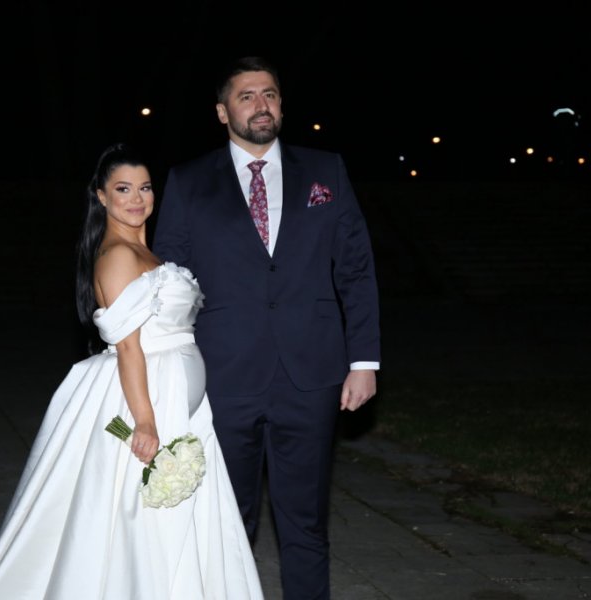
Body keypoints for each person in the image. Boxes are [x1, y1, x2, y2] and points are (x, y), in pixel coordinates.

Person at [0, 143, 263, 599]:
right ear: (101, 196)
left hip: (178, 402)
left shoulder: (145, 252)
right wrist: (145, 420)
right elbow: (128, 347)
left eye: (145, 187)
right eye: (123, 189)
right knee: (140, 523)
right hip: (147, 399)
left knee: (171, 517)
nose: (137, 198)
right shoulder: (118, 255)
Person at [152, 56, 381, 600]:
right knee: (225, 522)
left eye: (270, 94)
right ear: (222, 111)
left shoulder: (326, 172)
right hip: (223, 375)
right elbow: (169, 284)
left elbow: (355, 269)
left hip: (312, 375)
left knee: (306, 520)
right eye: (247, 96)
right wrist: (164, 372)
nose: (262, 105)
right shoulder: (188, 182)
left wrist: (364, 361)